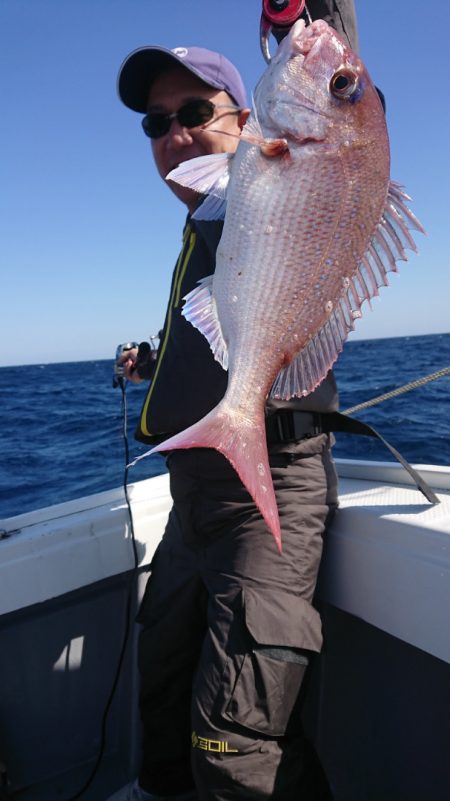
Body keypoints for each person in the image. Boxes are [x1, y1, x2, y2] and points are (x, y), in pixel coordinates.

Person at [109, 4, 358, 800]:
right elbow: (213, 334)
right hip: (195, 496)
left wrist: (316, 25)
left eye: (191, 112)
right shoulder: (206, 226)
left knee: (234, 740)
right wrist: (150, 360)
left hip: (271, 486)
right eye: (156, 122)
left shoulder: (273, 175)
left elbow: (341, 99)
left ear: (249, 119)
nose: (173, 133)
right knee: (162, 684)